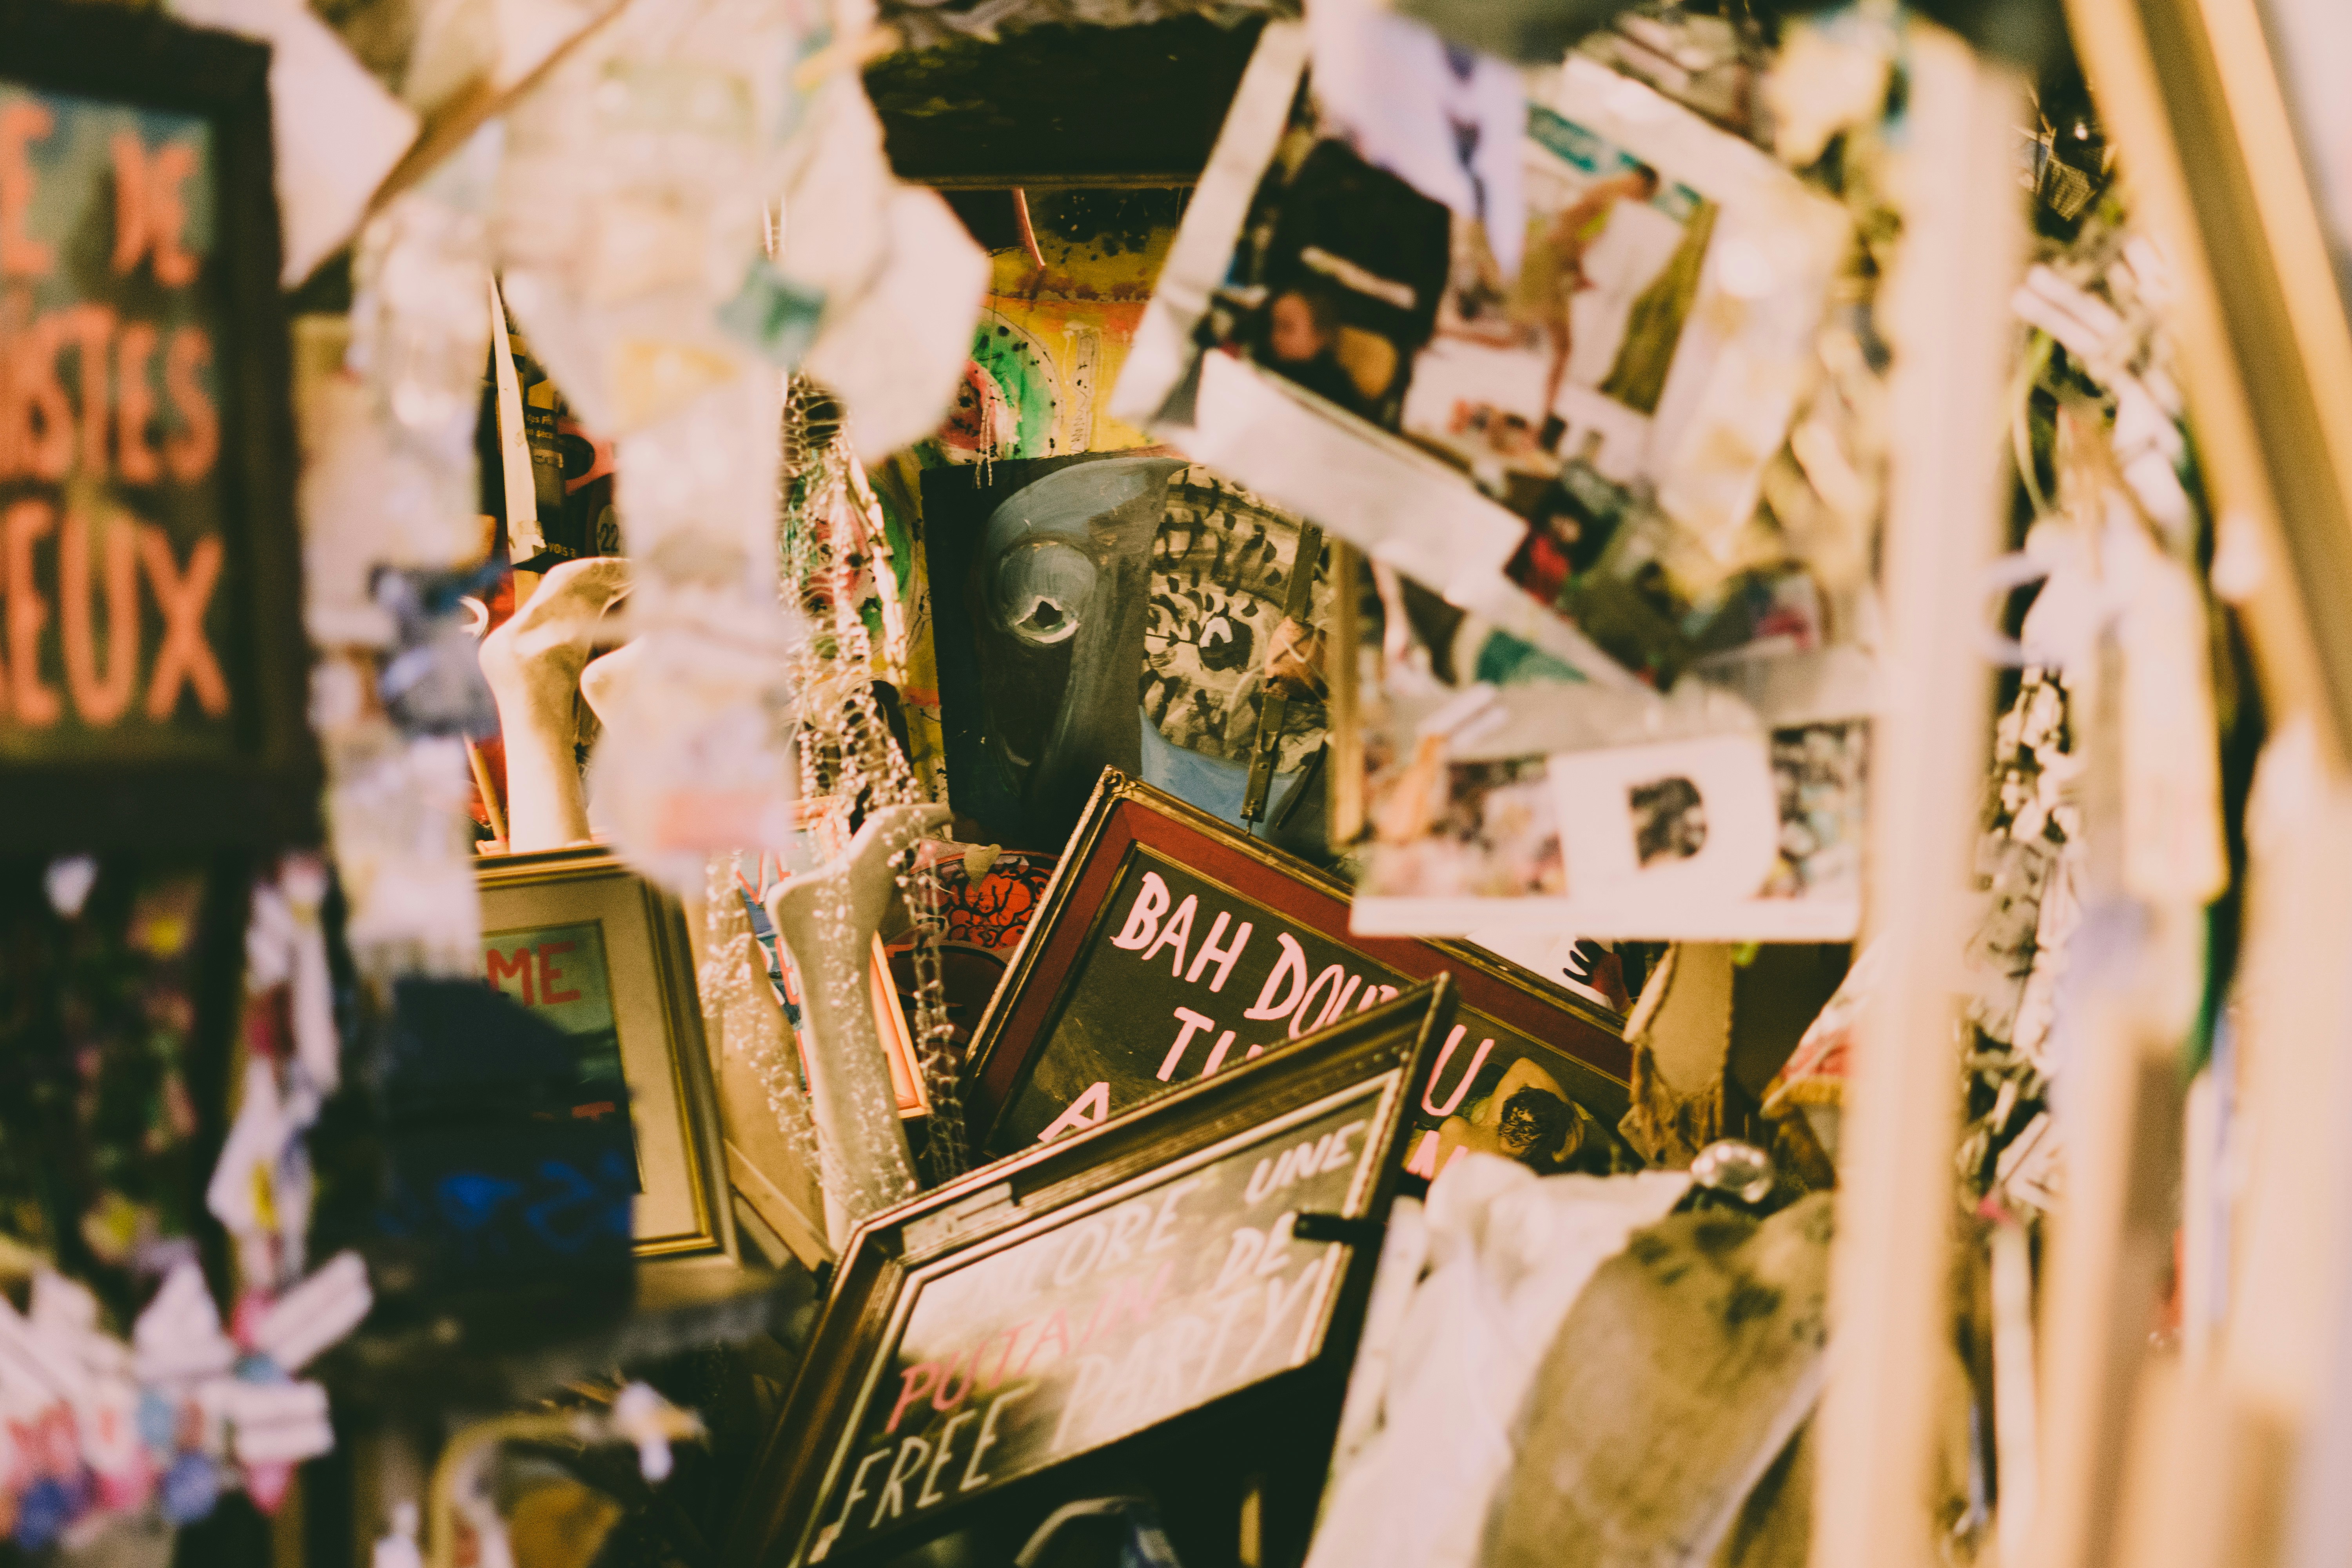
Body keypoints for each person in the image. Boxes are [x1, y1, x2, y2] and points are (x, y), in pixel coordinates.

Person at [1434, 1055, 1598, 1175]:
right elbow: (1524, 1067)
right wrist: (1575, 1124)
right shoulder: (1492, 1123)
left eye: (1529, 1130)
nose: (1515, 1132)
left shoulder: (1513, 1173)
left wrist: (1571, 1137)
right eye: (1515, 1119)